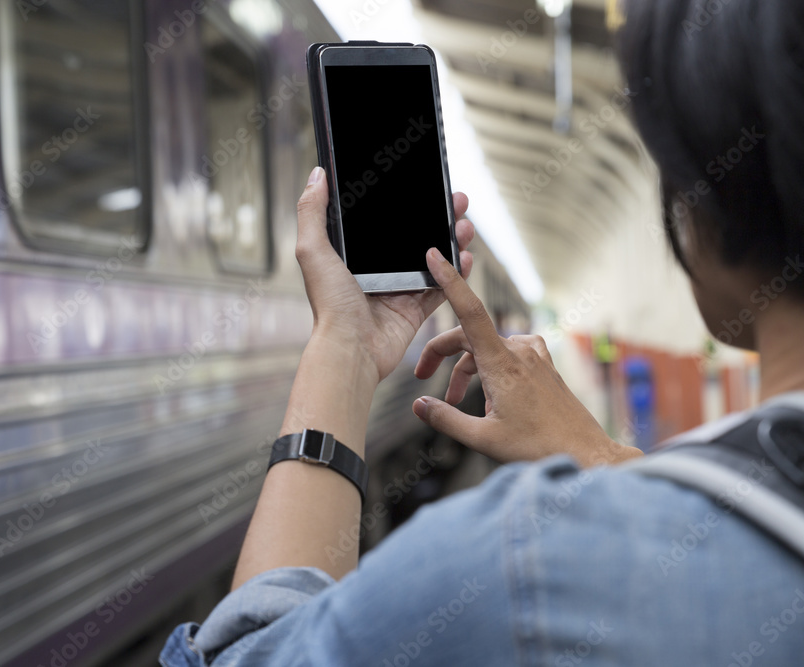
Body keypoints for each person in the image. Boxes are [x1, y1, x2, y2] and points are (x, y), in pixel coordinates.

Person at [161, 0, 804, 663]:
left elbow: (247, 652)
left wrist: (341, 351)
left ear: (709, 202)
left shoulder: (523, 566)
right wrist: (604, 457)